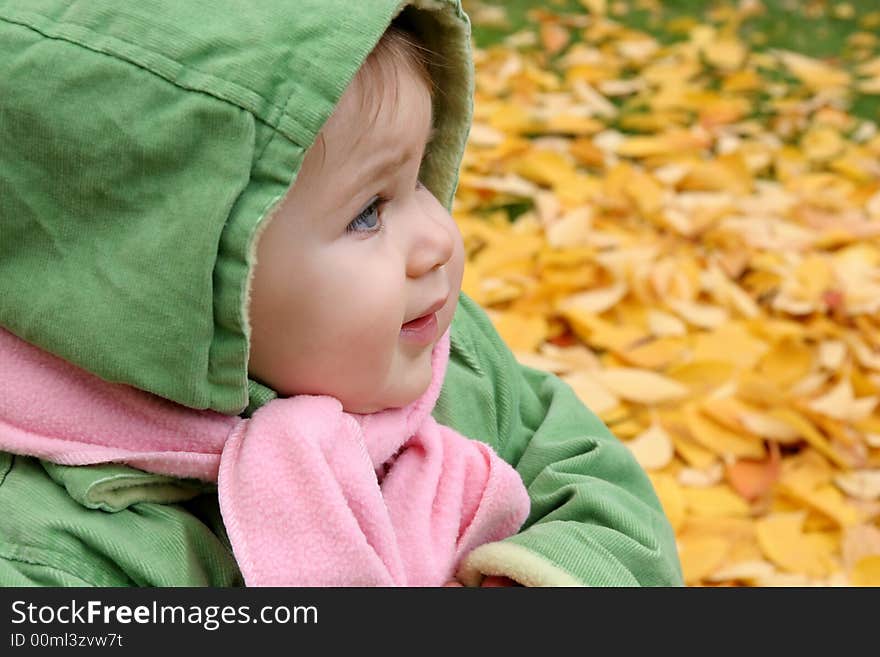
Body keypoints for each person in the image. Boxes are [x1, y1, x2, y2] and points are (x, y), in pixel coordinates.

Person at [0, 0, 683, 587]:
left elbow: (597, 486)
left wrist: (549, 573)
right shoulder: (57, 548)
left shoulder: (450, 356)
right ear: (175, 281)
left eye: (418, 180)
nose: (438, 237)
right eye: (368, 212)